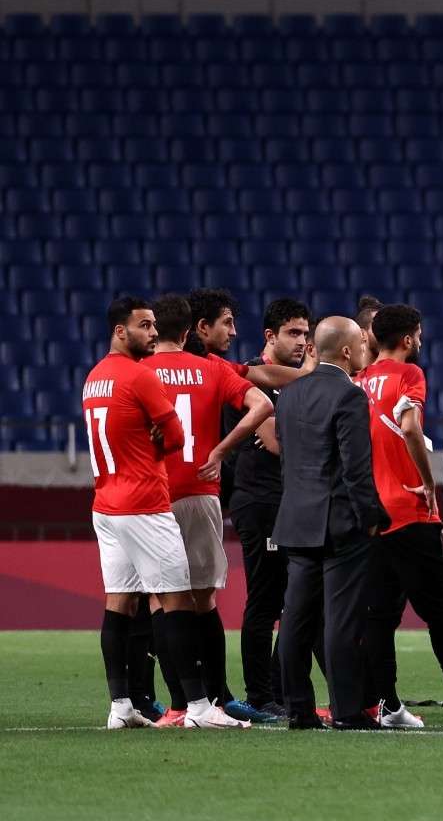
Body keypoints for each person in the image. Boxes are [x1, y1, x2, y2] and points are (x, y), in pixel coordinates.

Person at [85, 295, 238, 729]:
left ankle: (120, 706)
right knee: (178, 601)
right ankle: (198, 706)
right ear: (121, 331)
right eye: (144, 326)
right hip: (145, 504)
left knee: (119, 603)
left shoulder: (94, 378)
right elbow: (176, 438)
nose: (153, 333)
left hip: (106, 504)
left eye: (154, 325)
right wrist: (154, 438)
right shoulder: (138, 377)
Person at [143, 294, 274, 725]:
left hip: (151, 496)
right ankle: (214, 701)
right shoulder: (212, 368)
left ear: (153, 330)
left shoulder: (136, 372)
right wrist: (220, 449)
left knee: (161, 602)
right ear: (187, 332)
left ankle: (179, 705)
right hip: (200, 490)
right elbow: (264, 404)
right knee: (204, 600)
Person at [274, 315, 389, 731]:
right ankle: (346, 710)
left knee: (295, 619)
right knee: (340, 621)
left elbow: (288, 462)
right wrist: (372, 518)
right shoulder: (349, 397)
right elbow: (356, 469)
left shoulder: (288, 395)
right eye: (360, 341)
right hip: (339, 524)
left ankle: (299, 709)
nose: (365, 347)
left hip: (296, 519)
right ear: (345, 350)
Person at [357, 304, 443, 728]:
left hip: (373, 516)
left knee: (379, 619)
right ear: (406, 339)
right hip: (411, 511)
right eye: (418, 335)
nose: (420, 342)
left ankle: (388, 706)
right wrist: (427, 482)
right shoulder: (409, 375)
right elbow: (411, 427)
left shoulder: (360, 381)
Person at [229, 298, 310, 720]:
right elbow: (277, 444)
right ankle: (260, 695)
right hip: (261, 501)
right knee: (265, 599)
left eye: (305, 333)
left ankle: (278, 690)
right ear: (270, 337)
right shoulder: (254, 379)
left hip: (289, 500)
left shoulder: (298, 383)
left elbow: (286, 442)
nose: (301, 341)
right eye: (293, 333)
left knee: (293, 600)